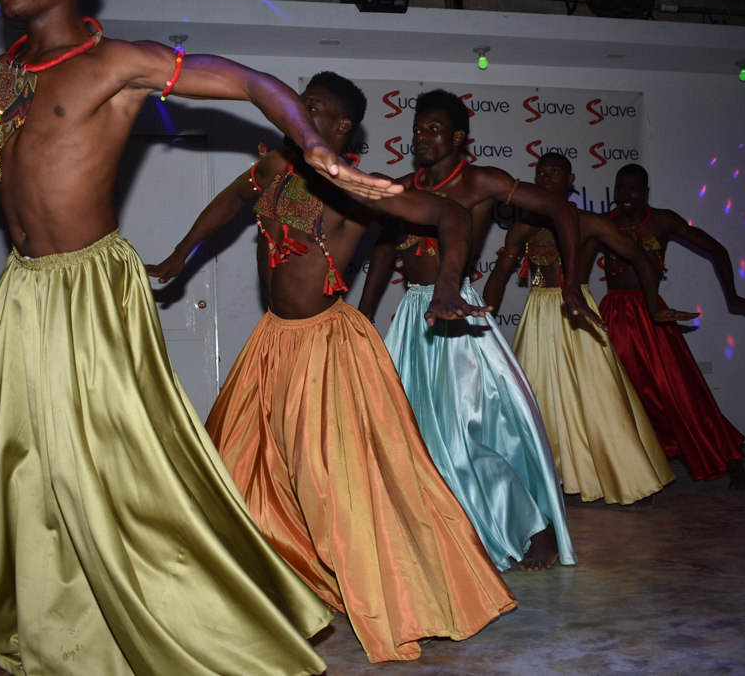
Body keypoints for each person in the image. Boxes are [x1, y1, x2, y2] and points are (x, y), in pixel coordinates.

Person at [0, 0, 403, 676]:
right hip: (25, 289)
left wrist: (312, 145)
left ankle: (227, 605)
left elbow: (247, 80)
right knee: (8, 457)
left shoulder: (116, 65)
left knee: (118, 466)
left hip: (91, 290)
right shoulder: (8, 73)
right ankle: (33, 604)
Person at [146, 73, 515, 664]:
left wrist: (447, 284)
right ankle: (254, 593)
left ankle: (396, 592)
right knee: (239, 469)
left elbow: (450, 216)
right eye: (297, 98)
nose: (295, 107)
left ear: (340, 127)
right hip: (272, 344)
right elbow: (232, 200)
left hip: (329, 349)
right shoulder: (272, 168)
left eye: (310, 105)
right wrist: (180, 253)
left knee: (334, 484)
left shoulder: (358, 186)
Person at [358, 90, 596, 572]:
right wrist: (360, 318)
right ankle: (447, 529)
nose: (422, 137)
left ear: (459, 137)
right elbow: (383, 255)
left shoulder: (480, 182)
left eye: (434, 129)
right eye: (418, 129)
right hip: (414, 320)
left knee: (472, 432)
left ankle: (536, 529)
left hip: (461, 316)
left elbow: (562, 211)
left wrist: (573, 283)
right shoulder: (402, 188)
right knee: (416, 435)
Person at [484, 153, 694, 507]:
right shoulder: (523, 227)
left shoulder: (590, 223)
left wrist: (654, 305)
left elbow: (641, 258)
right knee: (536, 397)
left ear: (571, 180)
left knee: (599, 397)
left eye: (555, 172)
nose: (546, 176)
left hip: (578, 312)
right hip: (539, 314)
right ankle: (548, 479)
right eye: (540, 172)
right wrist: (484, 318)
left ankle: (623, 476)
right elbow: (499, 276)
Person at [601, 163, 745, 490]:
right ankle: (635, 471)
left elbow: (715, 249)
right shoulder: (604, 223)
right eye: (620, 188)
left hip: (652, 315)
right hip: (613, 314)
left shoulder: (662, 219)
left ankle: (730, 459)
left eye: (632, 189)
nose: (625, 195)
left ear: (645, 192)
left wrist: (733, 296)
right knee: (622, 395)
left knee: (681, 392)